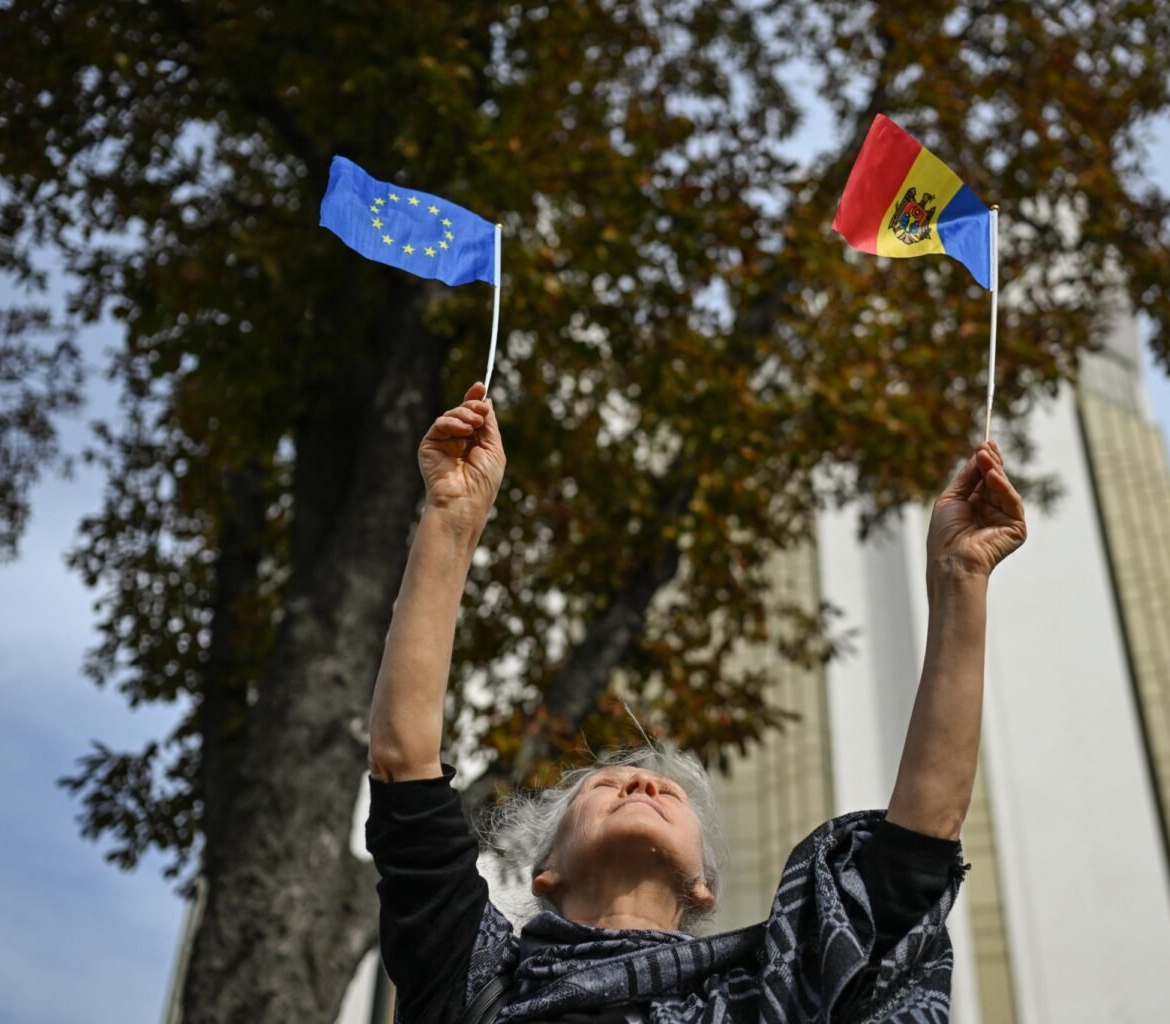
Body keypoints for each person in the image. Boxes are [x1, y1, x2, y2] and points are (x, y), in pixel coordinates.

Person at [365, 381, 1028, 1023]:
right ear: (546, 872)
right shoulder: (472, 979)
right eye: (604, 786)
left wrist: (960, 577)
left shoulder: (776, 995)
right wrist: (452, 518)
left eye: (667, 794)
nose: (641, 782)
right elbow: (404, 765)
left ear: (702, 888)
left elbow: (918, 847)